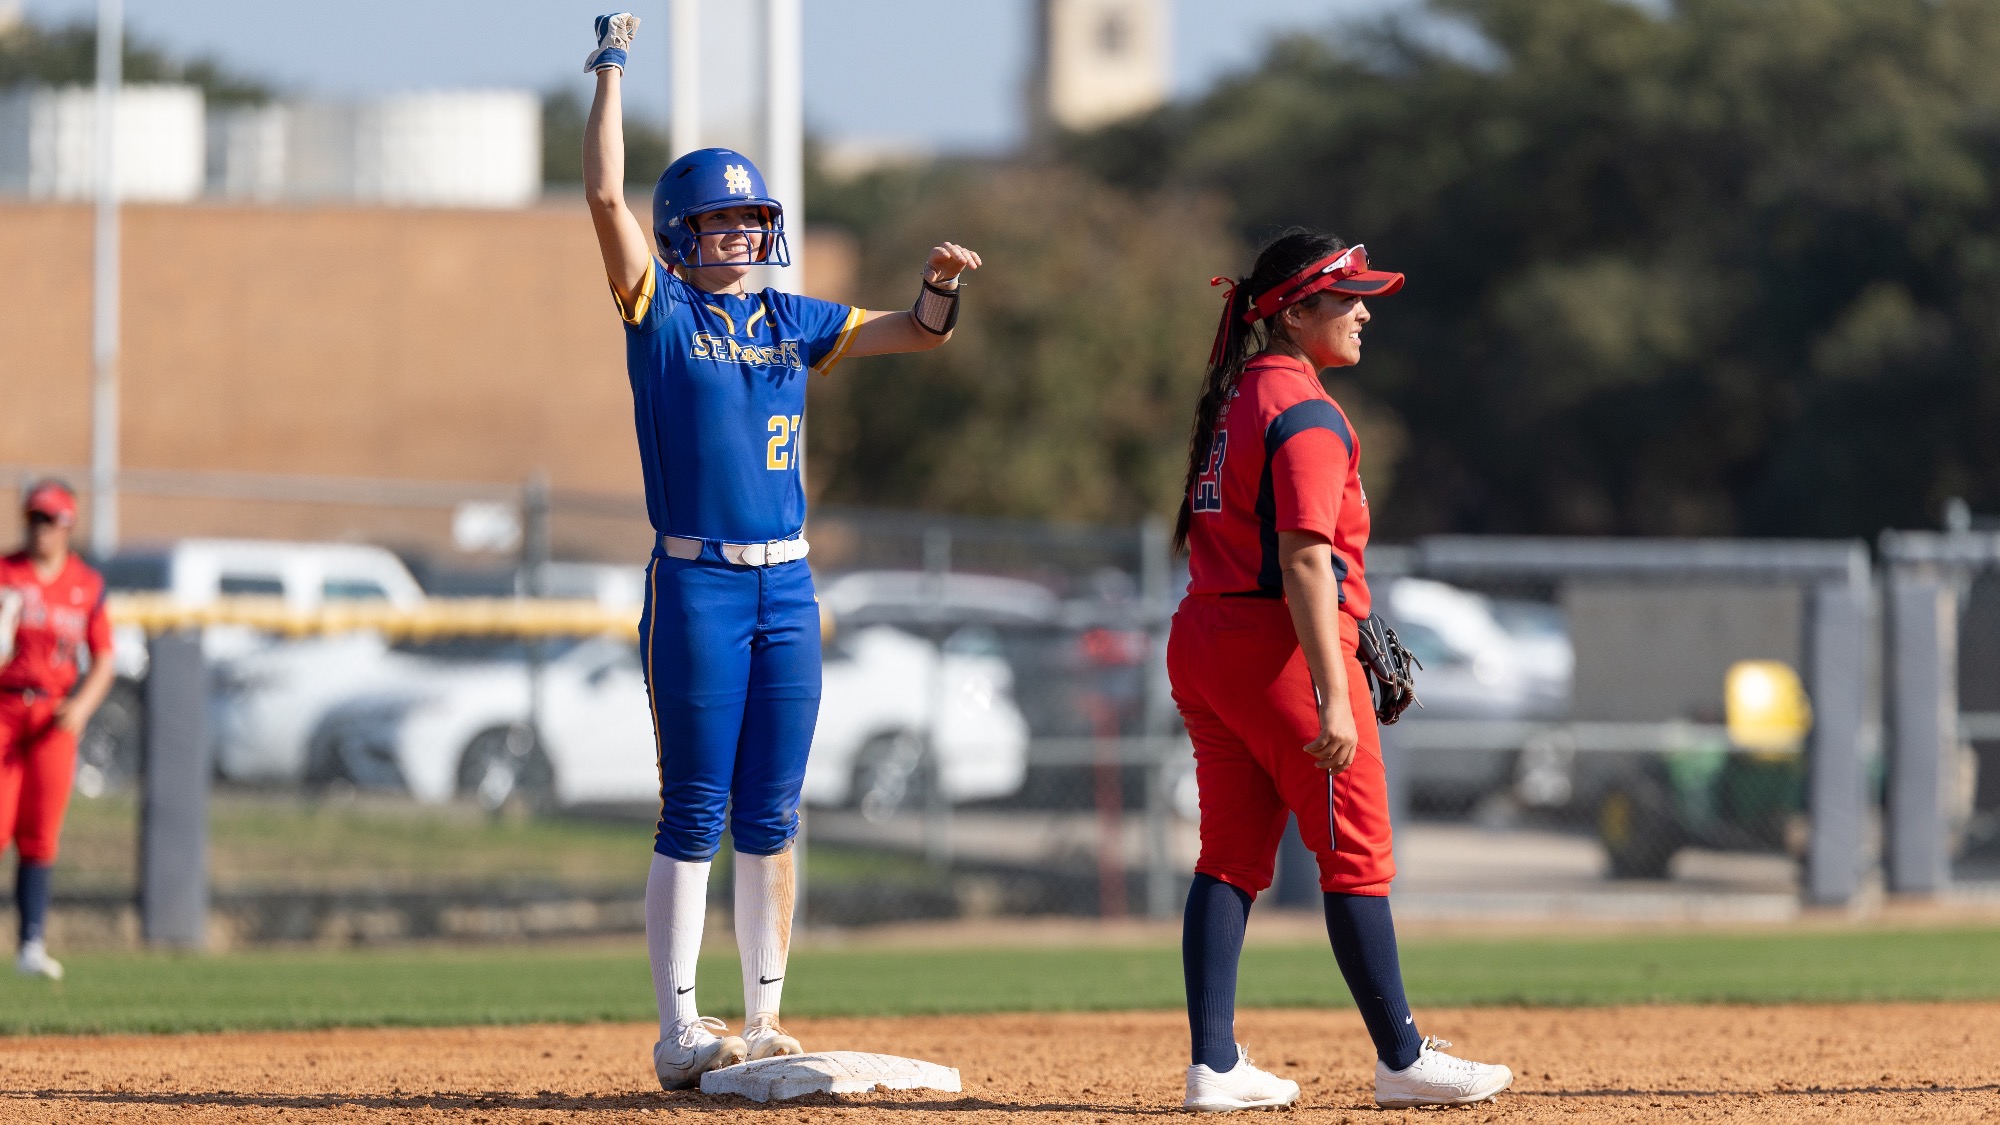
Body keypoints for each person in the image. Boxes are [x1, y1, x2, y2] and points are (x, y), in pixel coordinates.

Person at [579, 14, 982, 1091]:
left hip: (788, 581)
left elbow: (917, 332)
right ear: (679, 235)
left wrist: (940, 284)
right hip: (697, 578)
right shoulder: (659, 312)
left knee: (773, 808)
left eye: (751, 221)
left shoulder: (786, 317)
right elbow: (604, 200)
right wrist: (611, 72)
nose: (740, 237)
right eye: (718, 223)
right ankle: (677, 1028)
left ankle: (761, 1019)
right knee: (695, 805)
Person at [1167, 230, 1513, 1111]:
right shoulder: (1307, 410)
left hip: (1207, 638)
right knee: (1354, 856)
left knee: (1231, 858)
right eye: (1348, 296)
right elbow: (1306, 562)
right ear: (1294, 310)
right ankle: (1401, 1056)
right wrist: (1333, 693)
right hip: (1277, 650)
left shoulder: (1236, 393)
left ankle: (1215, 1063)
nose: (1364, 310)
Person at [0, 480, 115, 982]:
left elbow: (105, 656)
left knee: (40, 835)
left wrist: (83, 706)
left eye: (49, 520)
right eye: (33, 519)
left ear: (67, 525)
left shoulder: (85, 584)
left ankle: (31, 945)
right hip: (4, 708)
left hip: (53, 717)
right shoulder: (6, 574)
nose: (38, 529)